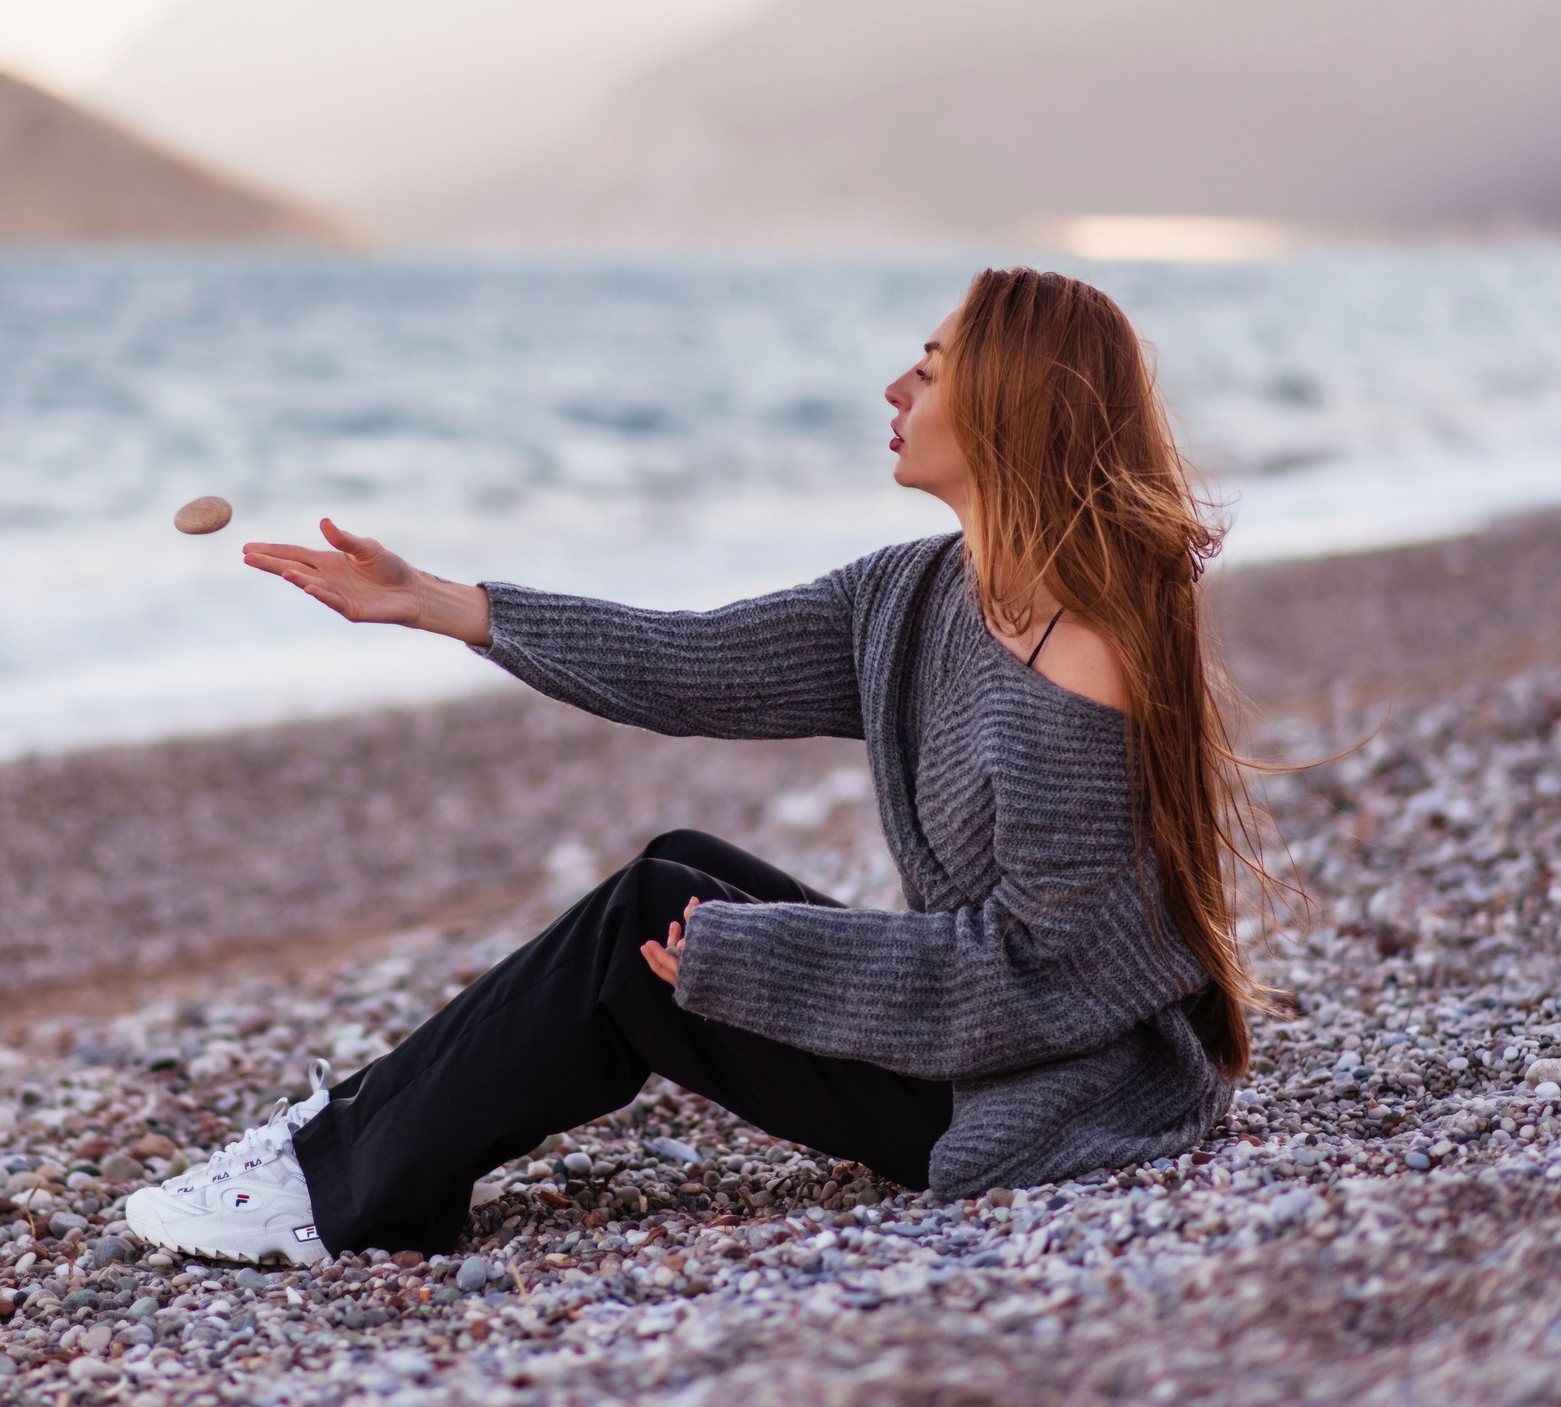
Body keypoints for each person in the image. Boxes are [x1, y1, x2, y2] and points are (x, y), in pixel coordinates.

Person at [122, 266, 1268, 1266]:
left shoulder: (1084, 655)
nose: (893, 389)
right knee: (678, 866)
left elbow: (1051, 972)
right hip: (975, 1051)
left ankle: (336, 1187)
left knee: (651, 919)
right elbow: (693, 663)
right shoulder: (919, 592)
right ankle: (343, 1143)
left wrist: (759, 958)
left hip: (1048, 1097)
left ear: (1012, 399)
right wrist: (441, 602)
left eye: (929, 370)